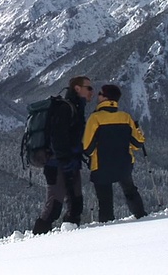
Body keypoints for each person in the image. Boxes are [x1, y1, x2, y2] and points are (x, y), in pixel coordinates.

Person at [32, 76, 94, 235]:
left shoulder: (76, 107)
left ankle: (70, 239)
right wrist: (66, 160)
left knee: (76, 204)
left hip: (70, 164)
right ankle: (37, 241)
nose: (91, 91)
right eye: (89, 87)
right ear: (77, 89)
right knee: (54, 206)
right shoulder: (65, 108)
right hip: (57, 164)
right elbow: (57, 137)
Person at [82, 84, 147, 222]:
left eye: (100, 93)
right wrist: (140, 132)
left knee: (105, 202)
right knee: (130, 191)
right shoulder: (125, 117)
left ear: (105, 97)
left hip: (101, 167)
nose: (97, 95)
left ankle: (107, 228)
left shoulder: (95, 118)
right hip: (124, 164)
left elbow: (87, 147)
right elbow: (137, 144)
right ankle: (142, 217)